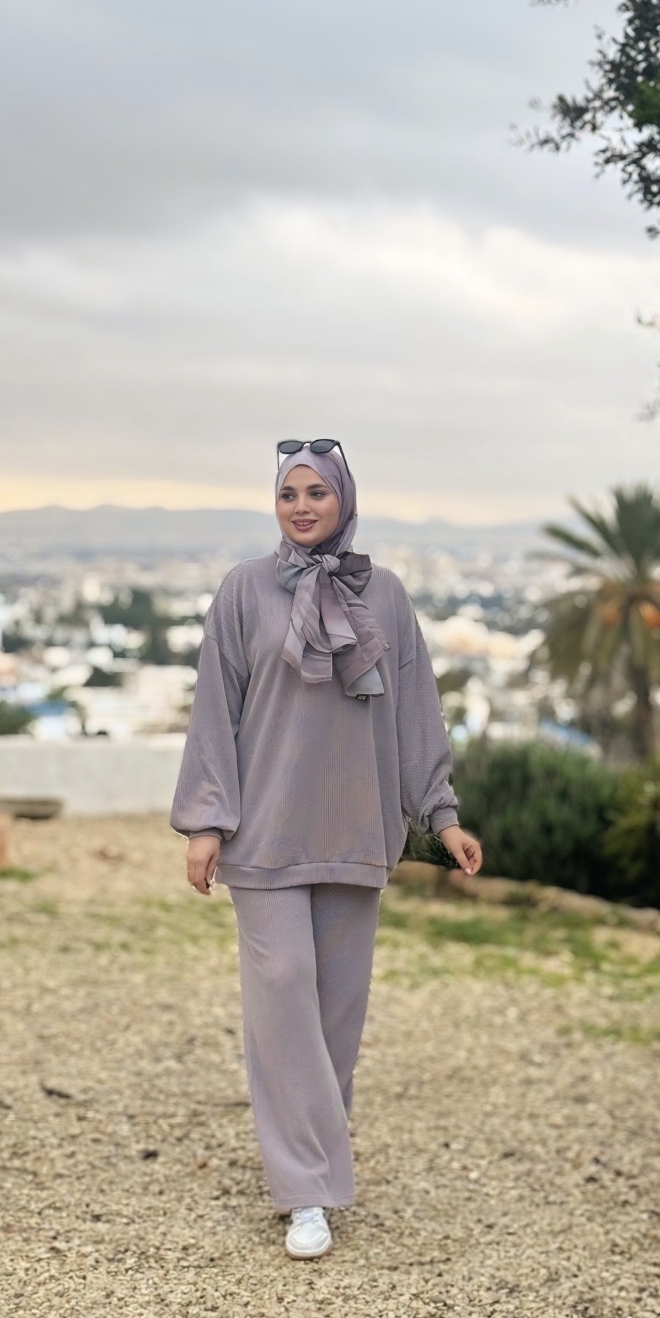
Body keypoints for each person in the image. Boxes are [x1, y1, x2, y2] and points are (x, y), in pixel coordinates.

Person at [170, 438, 482, 1259]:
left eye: (316, 492)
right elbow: (215, 710)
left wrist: (441, 813)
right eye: (288, 493)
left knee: (337, 1009)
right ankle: (306, 1189)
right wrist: (206, 820)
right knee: (283, 991)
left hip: (355, 827)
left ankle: (308, 1160)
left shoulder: (387, 594)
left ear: (344, 498)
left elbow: (416, 710)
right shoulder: (244, 590)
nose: (302, 506)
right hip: (264, 830)